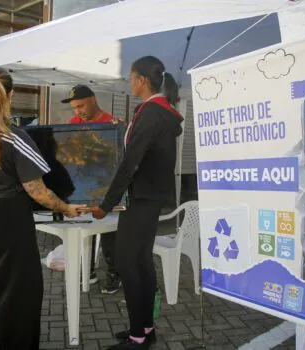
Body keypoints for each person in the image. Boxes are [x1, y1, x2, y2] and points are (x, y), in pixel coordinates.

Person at [0, 66, 84, 350]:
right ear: (9, 94)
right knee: (18, 293)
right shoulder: (15, 137)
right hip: (7, 218)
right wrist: (67, 208)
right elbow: (37, 190)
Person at [90, 56, 183, 349]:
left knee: (129, 263)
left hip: (141, 197)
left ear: (142, 80)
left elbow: (131, 161)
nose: (129, 82)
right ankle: (145, 327)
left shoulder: (152, 112)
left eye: (131, 77)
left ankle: (138, 336)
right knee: (140, 262)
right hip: (148, 196)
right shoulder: (159, 112)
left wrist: (106, 203)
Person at [61, 84, 122, 294]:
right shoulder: (73, 123)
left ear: (93, 100)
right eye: (75, 108)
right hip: (83, 187)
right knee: (84, 229)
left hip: (105, 188)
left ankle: (114, 273)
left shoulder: (111, 123)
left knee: (108, 233)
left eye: (81, 106)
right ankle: (89, 271)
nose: (78, 112)